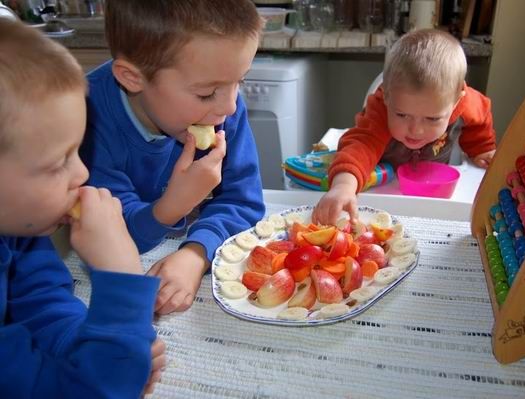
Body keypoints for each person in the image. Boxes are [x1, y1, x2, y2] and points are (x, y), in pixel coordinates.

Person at [0, 19, 165, 397]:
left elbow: (39, 299)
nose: (84, 172)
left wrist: (103, 346)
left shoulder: (16, 229)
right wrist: (122, 276)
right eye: (59, 161)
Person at [81, 0, 266, 315]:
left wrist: (196, 253)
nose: (230, 107)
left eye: (240, 82)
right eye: (206, 93)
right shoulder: (87, 118)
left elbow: (244, 200)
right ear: (132, 77)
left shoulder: (220, 102)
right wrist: (171, 208)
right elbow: (107, 238)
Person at [312, 29, 497, 225]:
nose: (416, 130)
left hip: (431, 193)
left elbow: (481, 117)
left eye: (432, 119)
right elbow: (362, 145)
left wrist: (482, 148)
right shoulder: (381, 111)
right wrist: (343, 186)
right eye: (401, 115)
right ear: (387, 96)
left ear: (457, 99)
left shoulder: (467, 102)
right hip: (386, 190)